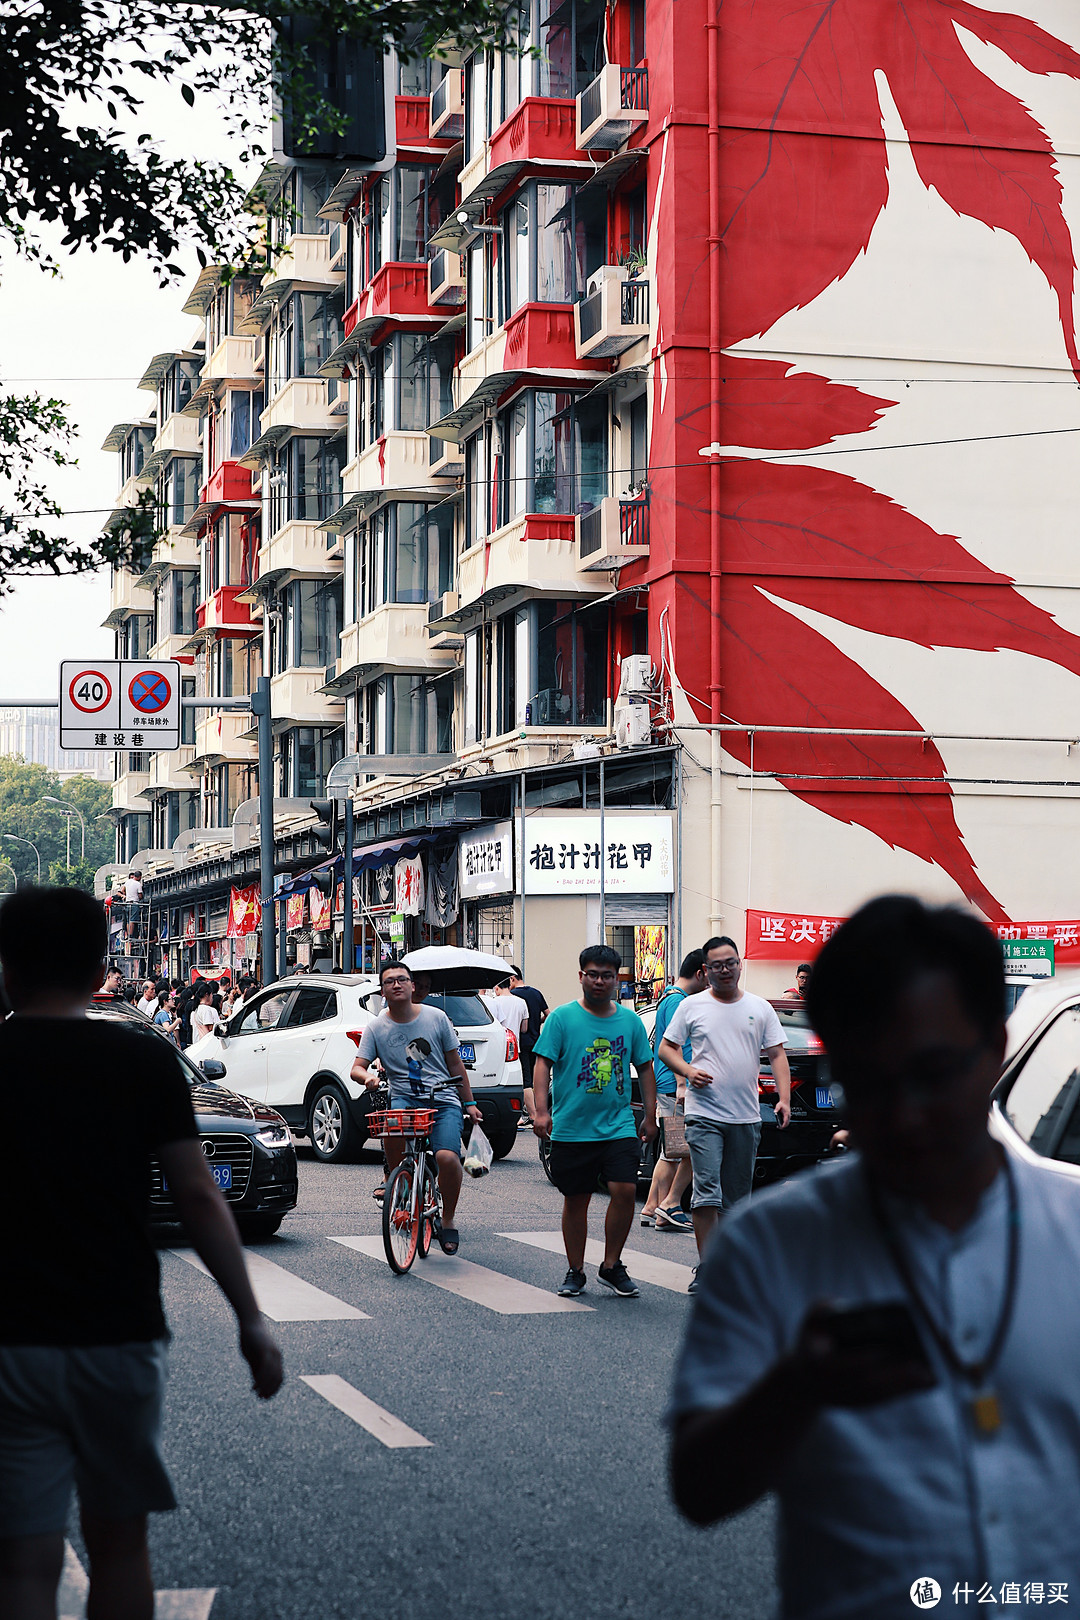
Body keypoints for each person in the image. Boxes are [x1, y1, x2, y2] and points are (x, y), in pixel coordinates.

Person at [668, 895, 1080, 1617]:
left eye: (933, 1073)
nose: (904, 1112)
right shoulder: (769, 1244)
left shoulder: (1071, 1226)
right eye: (867, 1082)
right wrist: (798, 1388)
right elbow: (697, 1489)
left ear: (994, 1050)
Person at [0, 886, 282, 1620]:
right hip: (118, 1330)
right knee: (121, 1544)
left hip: (10, 1339)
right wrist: (250, 1318)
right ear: (101, 971)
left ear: (6, 969)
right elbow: (196, 1196)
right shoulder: (142, 1061)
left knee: (23, 1560)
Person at [658, 936, 790, 1293]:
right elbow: (666, 1047)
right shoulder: (691, 1007)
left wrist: (784, 1099)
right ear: (706, 971)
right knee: (707, 1192)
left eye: (731, 962)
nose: (726, 970)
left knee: (737, 1197)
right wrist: (687, 1070)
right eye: (717, 965)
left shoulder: (760, 1008)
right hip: (704, 1114)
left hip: (746, 1116)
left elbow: (777, 1055)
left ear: (739, 964)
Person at [531, 943, 658, 1299]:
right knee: (577, 1198)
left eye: (607, 976)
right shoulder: (562, 1018)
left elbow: (645, 1067)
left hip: (617, 1124)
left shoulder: (630, 1021)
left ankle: (611, 1264)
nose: (600, 981)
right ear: (581, 977)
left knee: (625, 1190)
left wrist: (650, 1116)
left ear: (617, 979)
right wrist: (542, 1111)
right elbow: (542, 1065)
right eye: (593, 975)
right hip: (572, 1126)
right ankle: (575, 1269)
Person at [350, 960, 483, 1256]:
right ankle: (402, 1189)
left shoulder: (437, 1018)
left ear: (412, 986)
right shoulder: (376, 1027)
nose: (396, 985)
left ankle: (447, 1219)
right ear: (382, 991)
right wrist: (369, 1077)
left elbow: (454, 1063)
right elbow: (356, 1068)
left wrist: (470, 1102)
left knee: (447, 1158)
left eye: (402, 979)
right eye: (389, 981)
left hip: (443, 1099)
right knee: (392, 1140)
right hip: (404, 1100)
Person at [640, 949, 705, 1232]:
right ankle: (670, 1204)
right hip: (678, 1085)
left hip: (667, 1083)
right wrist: (683, 1083)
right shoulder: (680, 1001)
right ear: (701, 973)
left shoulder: (668, 997)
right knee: (692, 1148)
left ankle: (653, 1207)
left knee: (672, 1150)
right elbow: (676, 1045)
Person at [509, 966, 547, 1124]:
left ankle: (531, 1115)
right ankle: (540, 1109)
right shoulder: (536, 993)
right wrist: (538, 1022)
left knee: (525, 1080)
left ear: (512, 978)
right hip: (536, 1041)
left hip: (522, 1043)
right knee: (536, 1078)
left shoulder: (512, 996)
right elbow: (548, 1015)